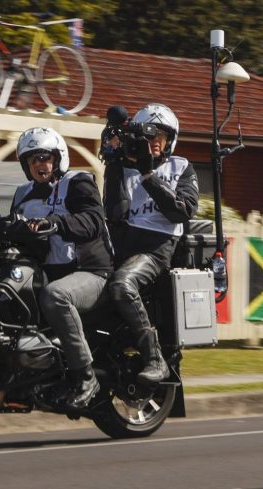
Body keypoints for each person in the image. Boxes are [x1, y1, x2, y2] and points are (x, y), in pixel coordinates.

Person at [11, 127, 114, 409]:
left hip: (91, 272)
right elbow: (14, 229)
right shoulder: (22, 195)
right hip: (49, 273)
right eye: (32, 160)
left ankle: (86, 376)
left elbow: (93, 220)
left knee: (56, 296)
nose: (39, 165)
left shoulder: (77, 182)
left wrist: (57, 223)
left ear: (57, 159)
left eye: (44, 157)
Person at [102, 103, 199, 383]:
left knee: (122, 285)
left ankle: (155, 358)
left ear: (171, 139)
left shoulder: (181, 167)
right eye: (149, 134)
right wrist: (116, 164)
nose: (155, 141)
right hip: (121, 247)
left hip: (156, 250)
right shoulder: (123, 168)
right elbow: (115, 214)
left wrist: (148, 176)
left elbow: (182, 211)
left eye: (161, 135)